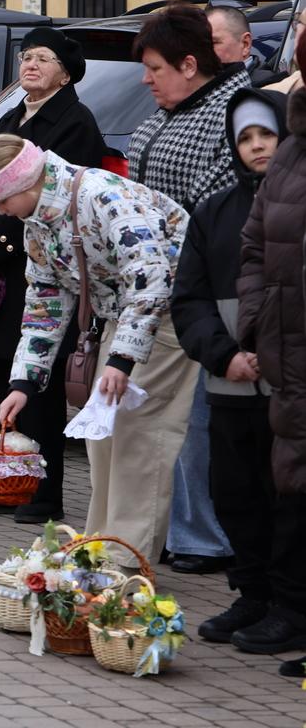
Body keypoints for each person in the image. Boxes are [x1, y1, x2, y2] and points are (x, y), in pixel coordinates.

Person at [0, 135, 190, 570]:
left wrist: (120, 361)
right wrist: (24, 382)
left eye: (1, 199)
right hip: (126, 315)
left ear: (24, 184)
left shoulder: (103, 196)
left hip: (170, 314)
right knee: (103, 434)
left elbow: (151, 279)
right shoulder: (37, 220)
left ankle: (128, 559)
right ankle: (103, 546)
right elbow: (44, 301)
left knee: (139, 435)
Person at [0, 27, 105, 522]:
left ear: (65, 71)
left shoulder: (75, 121)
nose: (30, 66)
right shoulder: (11, 116)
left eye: (42, 58)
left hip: (35, 265)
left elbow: (46, 194)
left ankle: (40, 490)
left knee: (36, 377)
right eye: (26, 57)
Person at [128, 4, 252, 574]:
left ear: (188, 63)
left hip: (208, 290)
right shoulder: (162, 115)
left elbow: (213, 208)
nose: (147, 80)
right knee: (167, 421)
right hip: (158, 290)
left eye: (155, 68)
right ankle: (184, 530)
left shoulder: (230, 111)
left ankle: (205, 537)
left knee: (198, 421)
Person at [174, 88, 290, 650]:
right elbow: (188, 299)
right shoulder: (214, 211)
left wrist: (267, 358)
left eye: (266, 133)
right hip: (230, 382)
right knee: (235, 491)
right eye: (245, 138)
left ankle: (290, 602)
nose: (257, 146)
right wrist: (223, 355)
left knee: (286, 497)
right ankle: (252, 593)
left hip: (288, 386)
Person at [237, 86, 306, 660]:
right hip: (291, 352)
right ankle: (288, 608)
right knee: (290, 487)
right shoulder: (292, 153)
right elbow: (255, 246)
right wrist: (259, 317)